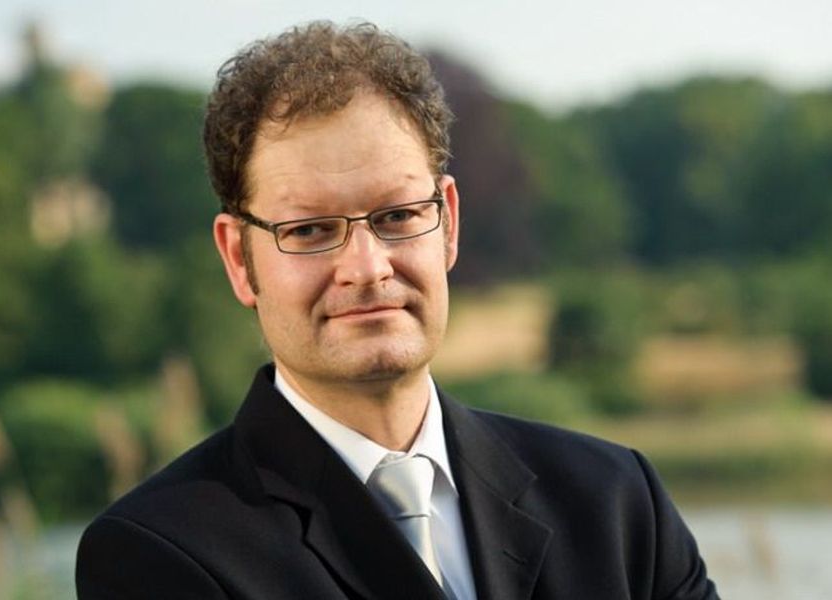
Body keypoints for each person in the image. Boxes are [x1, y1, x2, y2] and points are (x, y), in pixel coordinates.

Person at [76, 21, 718, 600]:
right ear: (239, 260)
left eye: (398, 215)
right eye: (309, 229)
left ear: (448, 224)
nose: (366, 266)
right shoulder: (157, 554)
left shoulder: (616, 501)